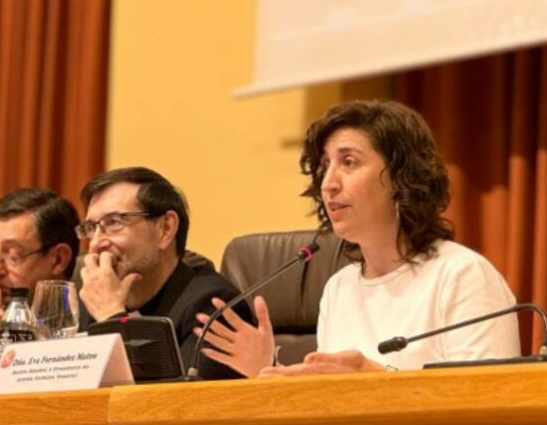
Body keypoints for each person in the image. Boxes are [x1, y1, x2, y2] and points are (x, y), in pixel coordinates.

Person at [197, 100, 521, 377]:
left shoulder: (462, 276)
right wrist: (270, 369)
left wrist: (374, 378)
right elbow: (329, 408)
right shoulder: (339, 288)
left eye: (348, 162)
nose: (328, 184)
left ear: (400, 176)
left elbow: (488, 402)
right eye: (325, 166)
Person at [76, 167, 251, 380]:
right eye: (91, 228)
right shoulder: (93, 298)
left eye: (113, 223)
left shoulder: (213, 307)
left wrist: (112, 318)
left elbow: (174, 406)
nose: (95, 244)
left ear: (165, 229)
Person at [0, 188, 80, 389]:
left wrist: (0, 347)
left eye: (13, 256)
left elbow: (60, 397)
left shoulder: (82, 319)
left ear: (59, 259)